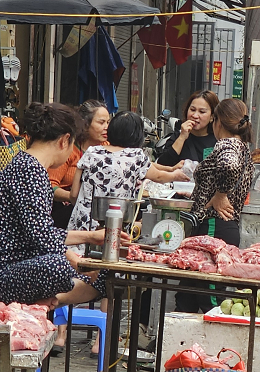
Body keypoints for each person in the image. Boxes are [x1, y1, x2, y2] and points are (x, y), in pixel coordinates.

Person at [0, 103, 114, 310]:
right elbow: (41, 236)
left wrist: (90, 237)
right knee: (59, 265)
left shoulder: (29, 166)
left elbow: (43, 231)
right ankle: (45, 301)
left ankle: (51, 300)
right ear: (64, 141)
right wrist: (77, 262)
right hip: (7, 269)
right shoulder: (29, 170)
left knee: (104, 274)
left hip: (21, 262)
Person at [68, 112, 189, 254]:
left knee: (76, 265)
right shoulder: (136, 155)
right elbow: (159, 177)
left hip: (81, 227)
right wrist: (175, 175)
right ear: (137, 135)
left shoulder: (91, 152)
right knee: (108, 263)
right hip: (114, 225)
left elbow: (74, 194)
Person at [176, 99, 254, 313]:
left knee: (211, 298)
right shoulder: (242, 146)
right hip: (218, 228)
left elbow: (229, 167)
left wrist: (220, 195)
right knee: (187, 295)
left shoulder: (227, 144)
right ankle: (171, 343)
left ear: (218, 122)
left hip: (214, 226)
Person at [48, 100, 110, 229]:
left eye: (108, 122)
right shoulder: (70, 151)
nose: (106, 127)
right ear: (85, 125)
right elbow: (51, 187)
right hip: (66, 213)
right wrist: (74, 197)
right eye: (101, 122)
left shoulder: (107, 147)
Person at [158, 90, 220, 166]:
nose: (195, 116)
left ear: (212, 117)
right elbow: (162, 164)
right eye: (192, 110)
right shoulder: (178, 137)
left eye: (202, 112)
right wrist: (182, 137)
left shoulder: (218, 141)